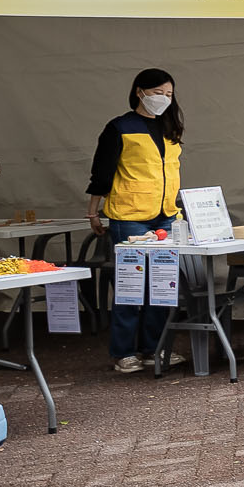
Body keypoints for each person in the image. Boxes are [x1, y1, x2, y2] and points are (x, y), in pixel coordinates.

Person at [87, 69, 186, 373]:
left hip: (166, 215)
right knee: (131, 286)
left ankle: (153, 349)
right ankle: (123, 351)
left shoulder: (171, 128)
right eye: (158, 92)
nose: (164, 99)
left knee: (162, 286)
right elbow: (102, 172)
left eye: (169, 94)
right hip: (129, 217)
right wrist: (94, 210)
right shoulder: (120, 127)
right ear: (140, 92)